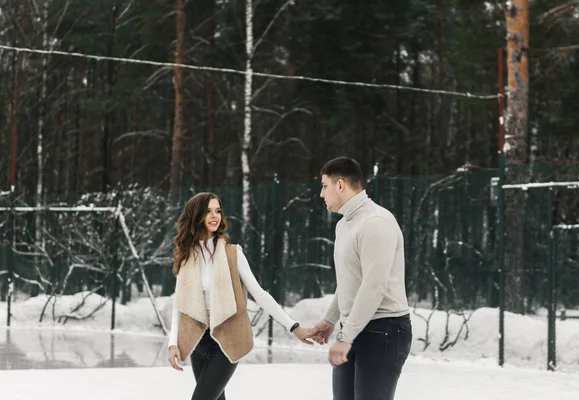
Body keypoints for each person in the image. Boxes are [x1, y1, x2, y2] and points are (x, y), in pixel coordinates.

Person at [167, 192, 317, 400]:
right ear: (195, 215)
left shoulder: (232, 253)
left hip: (225, 343)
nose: (214, 216)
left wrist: (293, 326)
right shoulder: (186, 255)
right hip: (197, 344)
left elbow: (260, 295)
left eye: (218, 211)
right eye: (208, 211)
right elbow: (179, 304)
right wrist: (172, 344)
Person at [312, 156, 412, 400]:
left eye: (324, 186)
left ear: (341, 185)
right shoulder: (344, 225)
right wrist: (330, 320)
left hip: (384, 330)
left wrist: (346, 338)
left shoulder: (375, 222)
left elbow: (374, 287)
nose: (321, 194)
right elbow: (350, 281)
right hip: (356, 327)